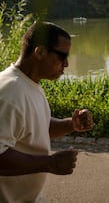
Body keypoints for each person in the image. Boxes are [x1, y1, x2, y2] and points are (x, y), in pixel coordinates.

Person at [0, 21, 94, 202]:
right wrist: (50, 163)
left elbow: (33, 127)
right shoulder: (9, 92)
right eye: (62, 56)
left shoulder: (29, 84)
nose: (66, 63)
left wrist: (69, 125)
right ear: (40, 52)